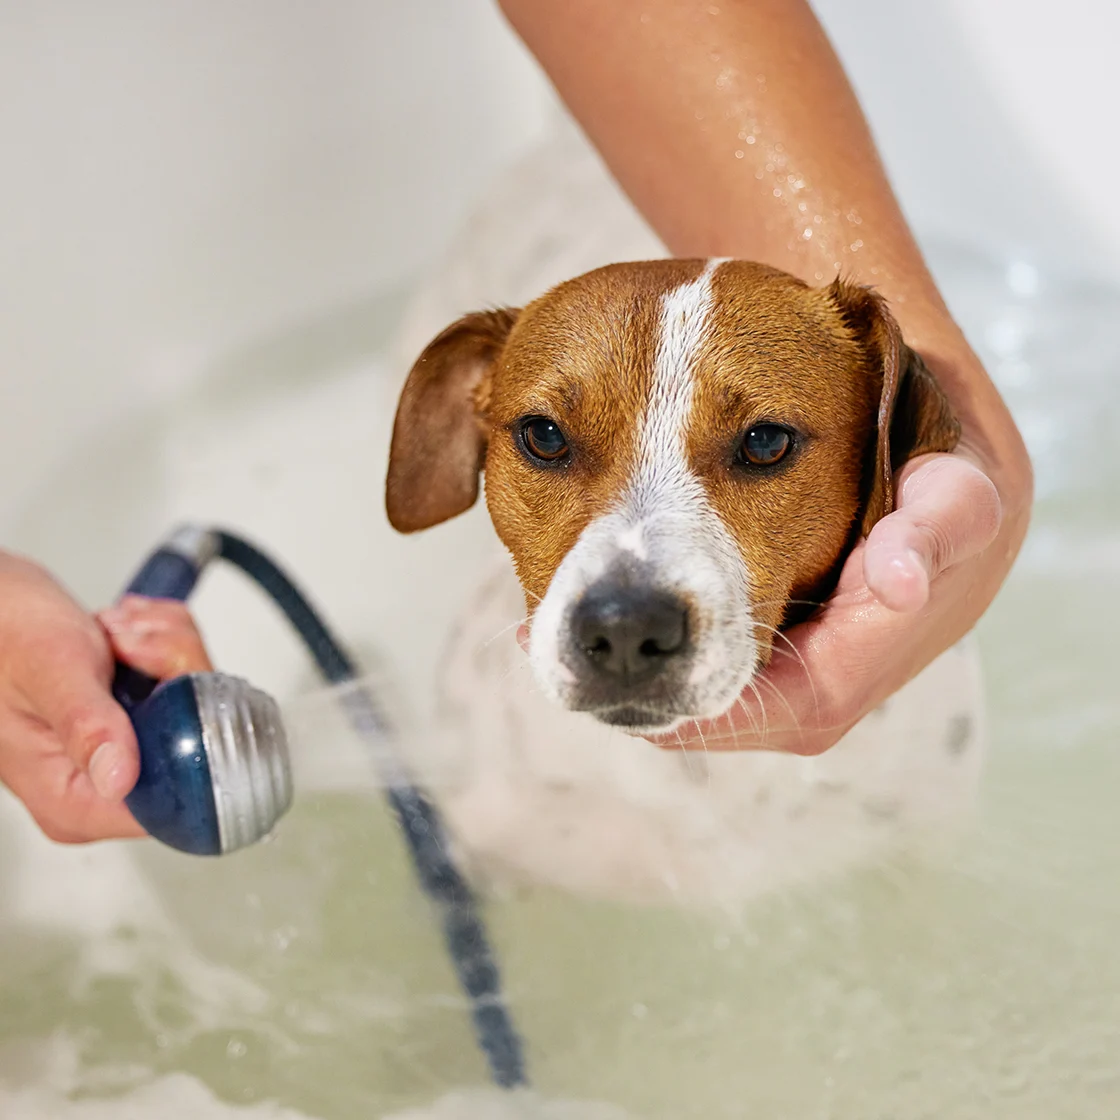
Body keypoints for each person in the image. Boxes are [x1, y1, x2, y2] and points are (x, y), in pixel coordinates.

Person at [0, 0, 1031, 843]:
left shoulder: (919, 716)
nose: (624, 612)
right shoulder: (491, 747)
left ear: (888, 437)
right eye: (545, 440)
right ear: (460, 411)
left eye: (760, 445)